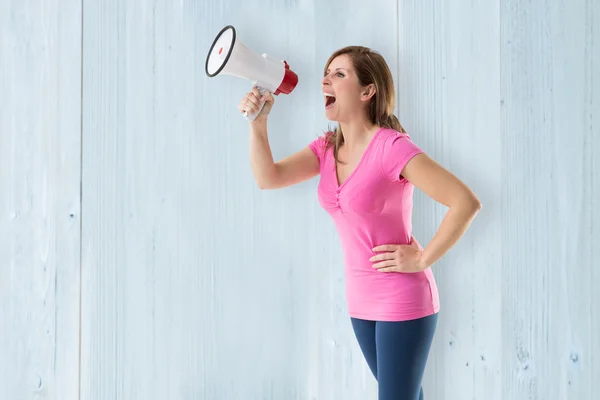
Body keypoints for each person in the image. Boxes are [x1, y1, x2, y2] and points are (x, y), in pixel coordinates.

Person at [238, 45, 481, 400]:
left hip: (402, 297)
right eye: (327, 72)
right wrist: (258, 125)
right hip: (360, 302)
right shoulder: (325, 149)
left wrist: (423, 258)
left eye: (339, 74)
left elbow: (465, 202)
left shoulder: (391, 147)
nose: (326, 79)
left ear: (368, 92)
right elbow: (268, 178)